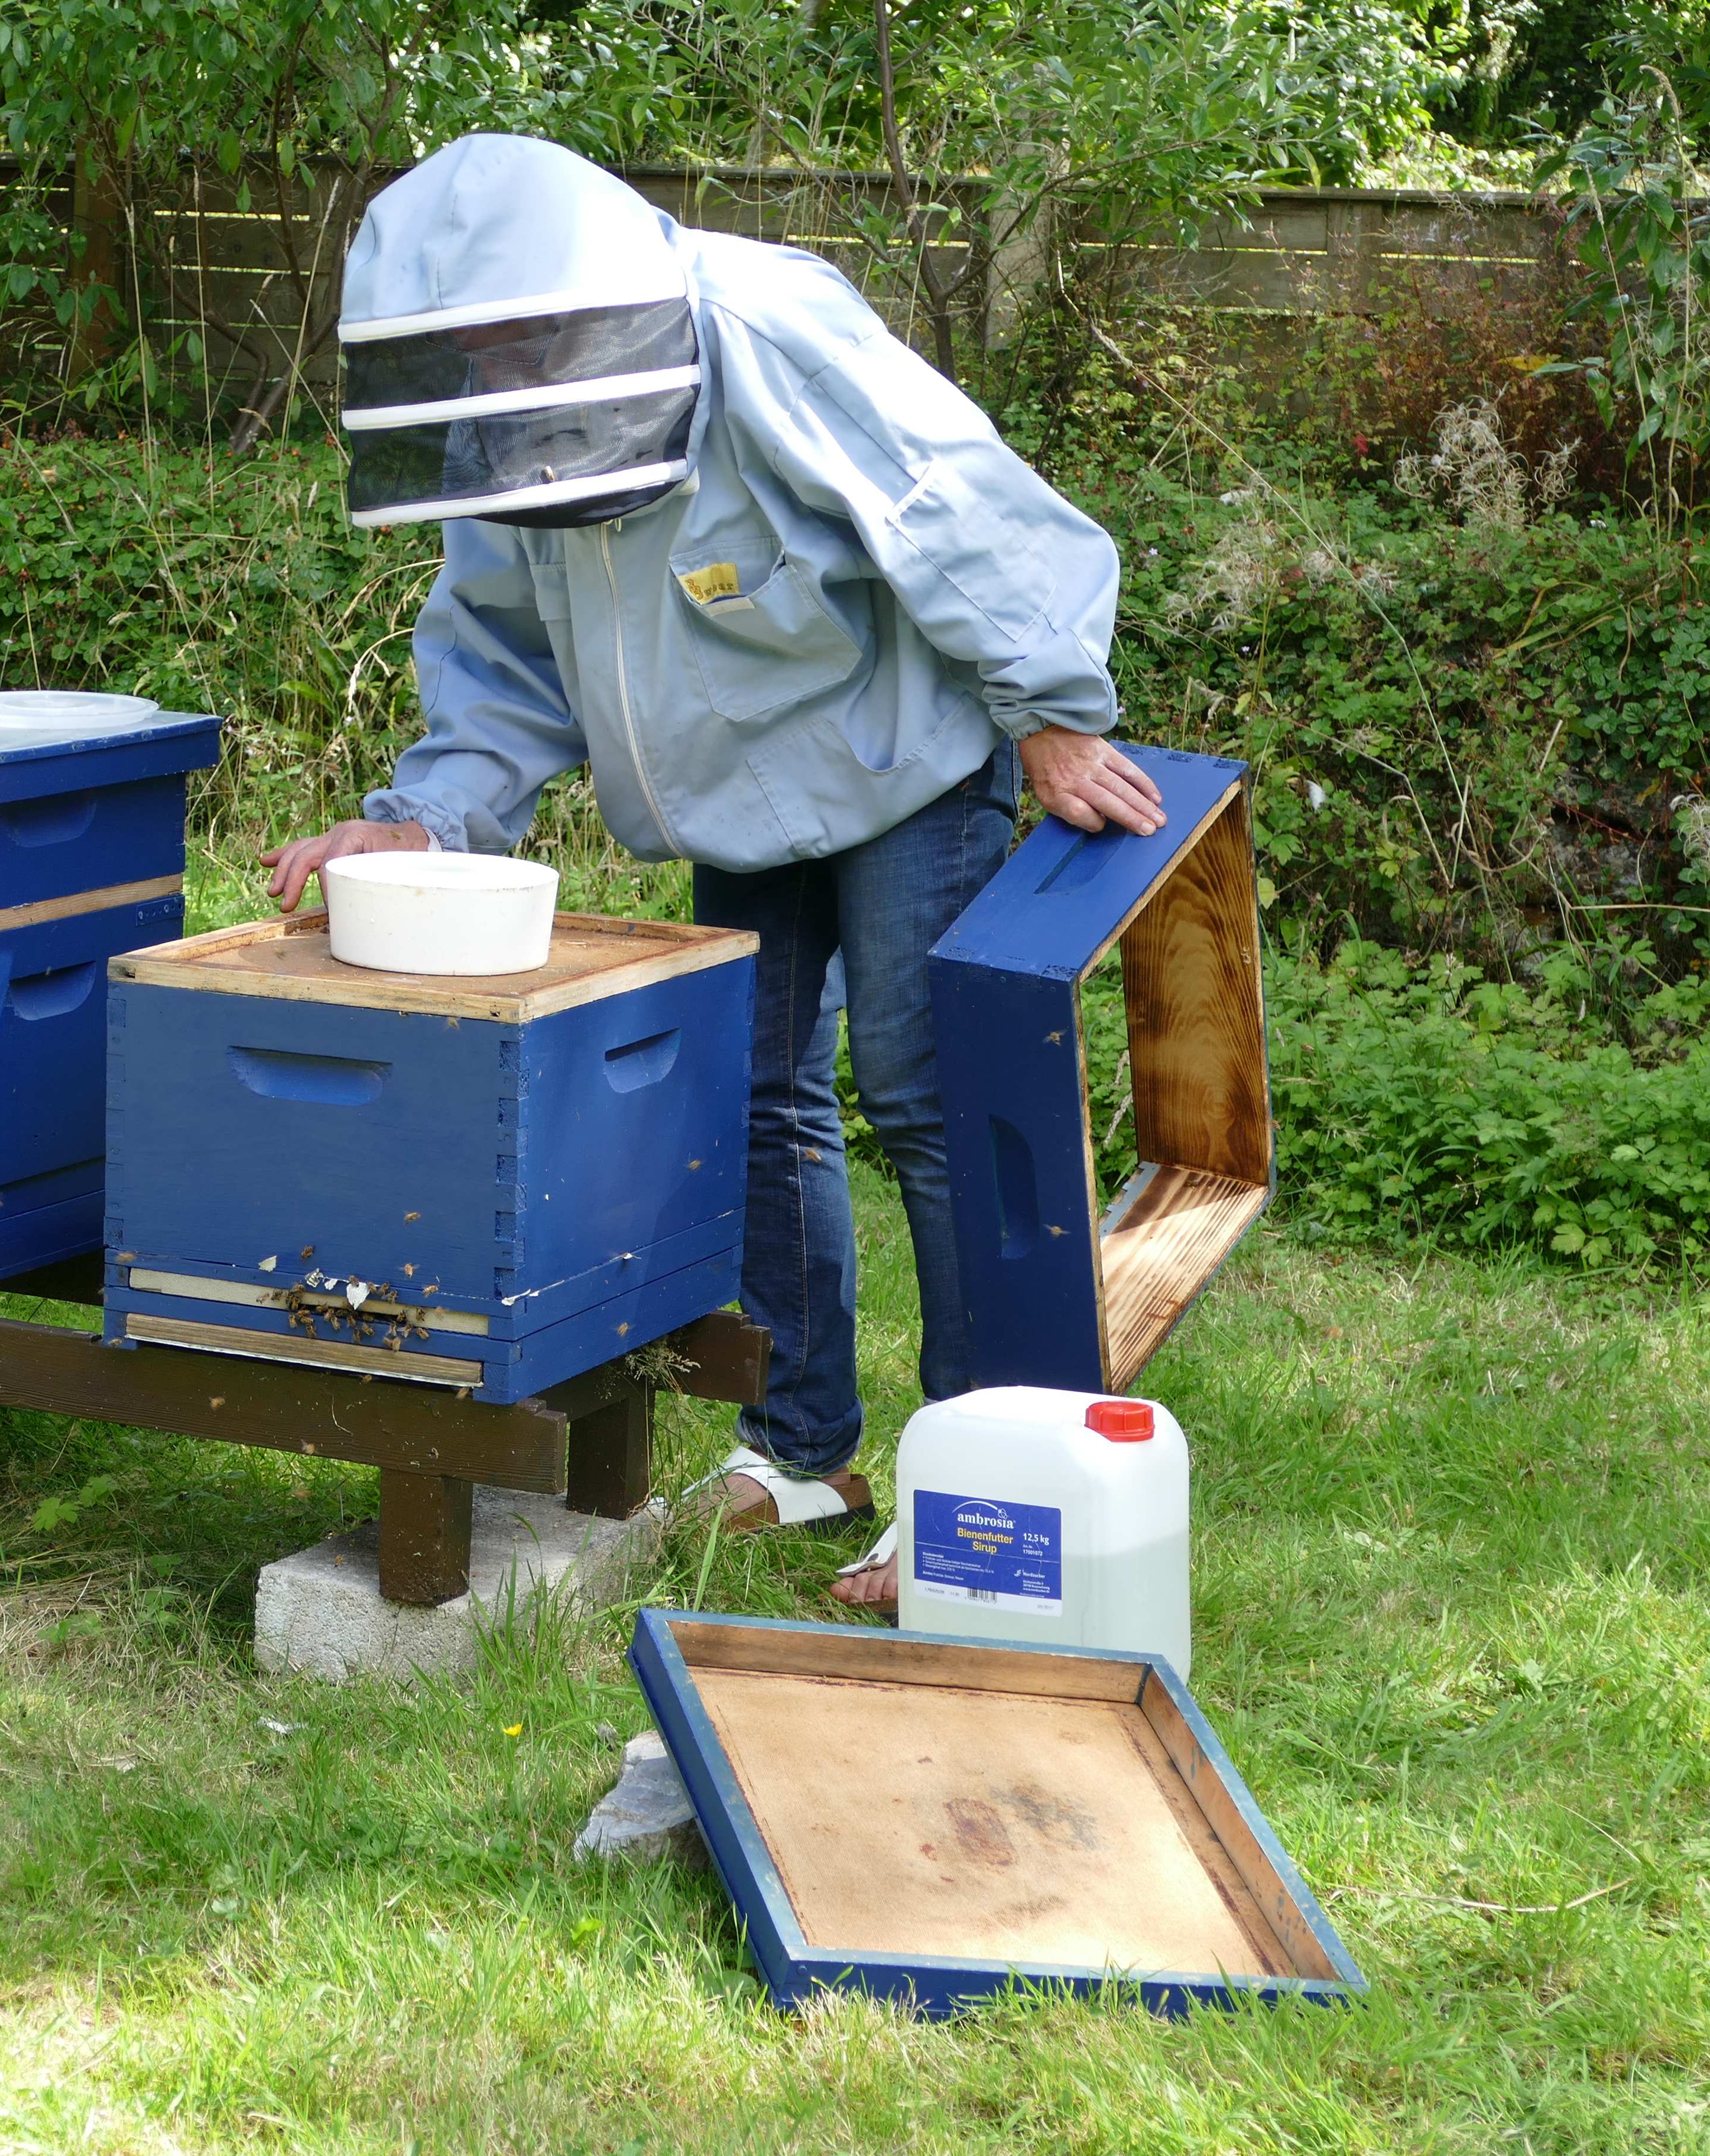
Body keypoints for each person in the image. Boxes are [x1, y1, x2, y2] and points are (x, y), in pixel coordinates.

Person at [261, 134, 1162, 1607]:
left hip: (902, 754)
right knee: (754, 1093)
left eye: (511, 343)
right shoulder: (520, 397)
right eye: (473, 355)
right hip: (733, 791)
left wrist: (1053, 710)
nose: (498, 368)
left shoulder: (766, 325)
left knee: (928, 1094)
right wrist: (430, 814)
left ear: (572, 300)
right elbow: (501, 641)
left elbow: (951, 499)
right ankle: (801, 1447)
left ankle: (977, 1480)